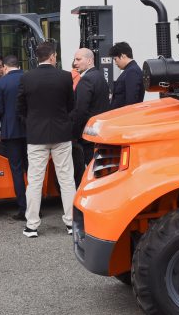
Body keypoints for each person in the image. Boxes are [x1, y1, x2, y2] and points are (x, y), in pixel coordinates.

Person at [17, 41, 76, 238]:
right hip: (61, 133)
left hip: (36, 135)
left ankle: (32, 226)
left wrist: (31, 123)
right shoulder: (65, 77)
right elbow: (71, 105)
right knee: (67, 179)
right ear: (52, 56)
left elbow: (21, 108)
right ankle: (71, 223)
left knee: (34, 180)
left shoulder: (27, 78)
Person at [0, 55, 27, 221]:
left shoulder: (1, 83)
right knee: (33, 170)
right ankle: (36, 207)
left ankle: (23, 208)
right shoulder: (28, 78)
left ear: (5, 67)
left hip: (11, 131)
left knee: (17, 170)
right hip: (30, 130)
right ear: (18, 65)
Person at [71, 47, 109, 185]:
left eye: (78, 59)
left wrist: (74, 134)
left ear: (89, 60)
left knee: (93, 170)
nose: (75, 63)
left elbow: (80, 111)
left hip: (89, 135)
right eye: (75, 59)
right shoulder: (99, 76)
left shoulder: (86, 80)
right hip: (99, 132)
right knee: (100, 169)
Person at [108, 42, 144, 110]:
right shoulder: (130, 70)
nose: (115, 63)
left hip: (124, 116)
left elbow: (131, 100)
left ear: (122, 56)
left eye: (115, 59)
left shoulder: (132, 72)